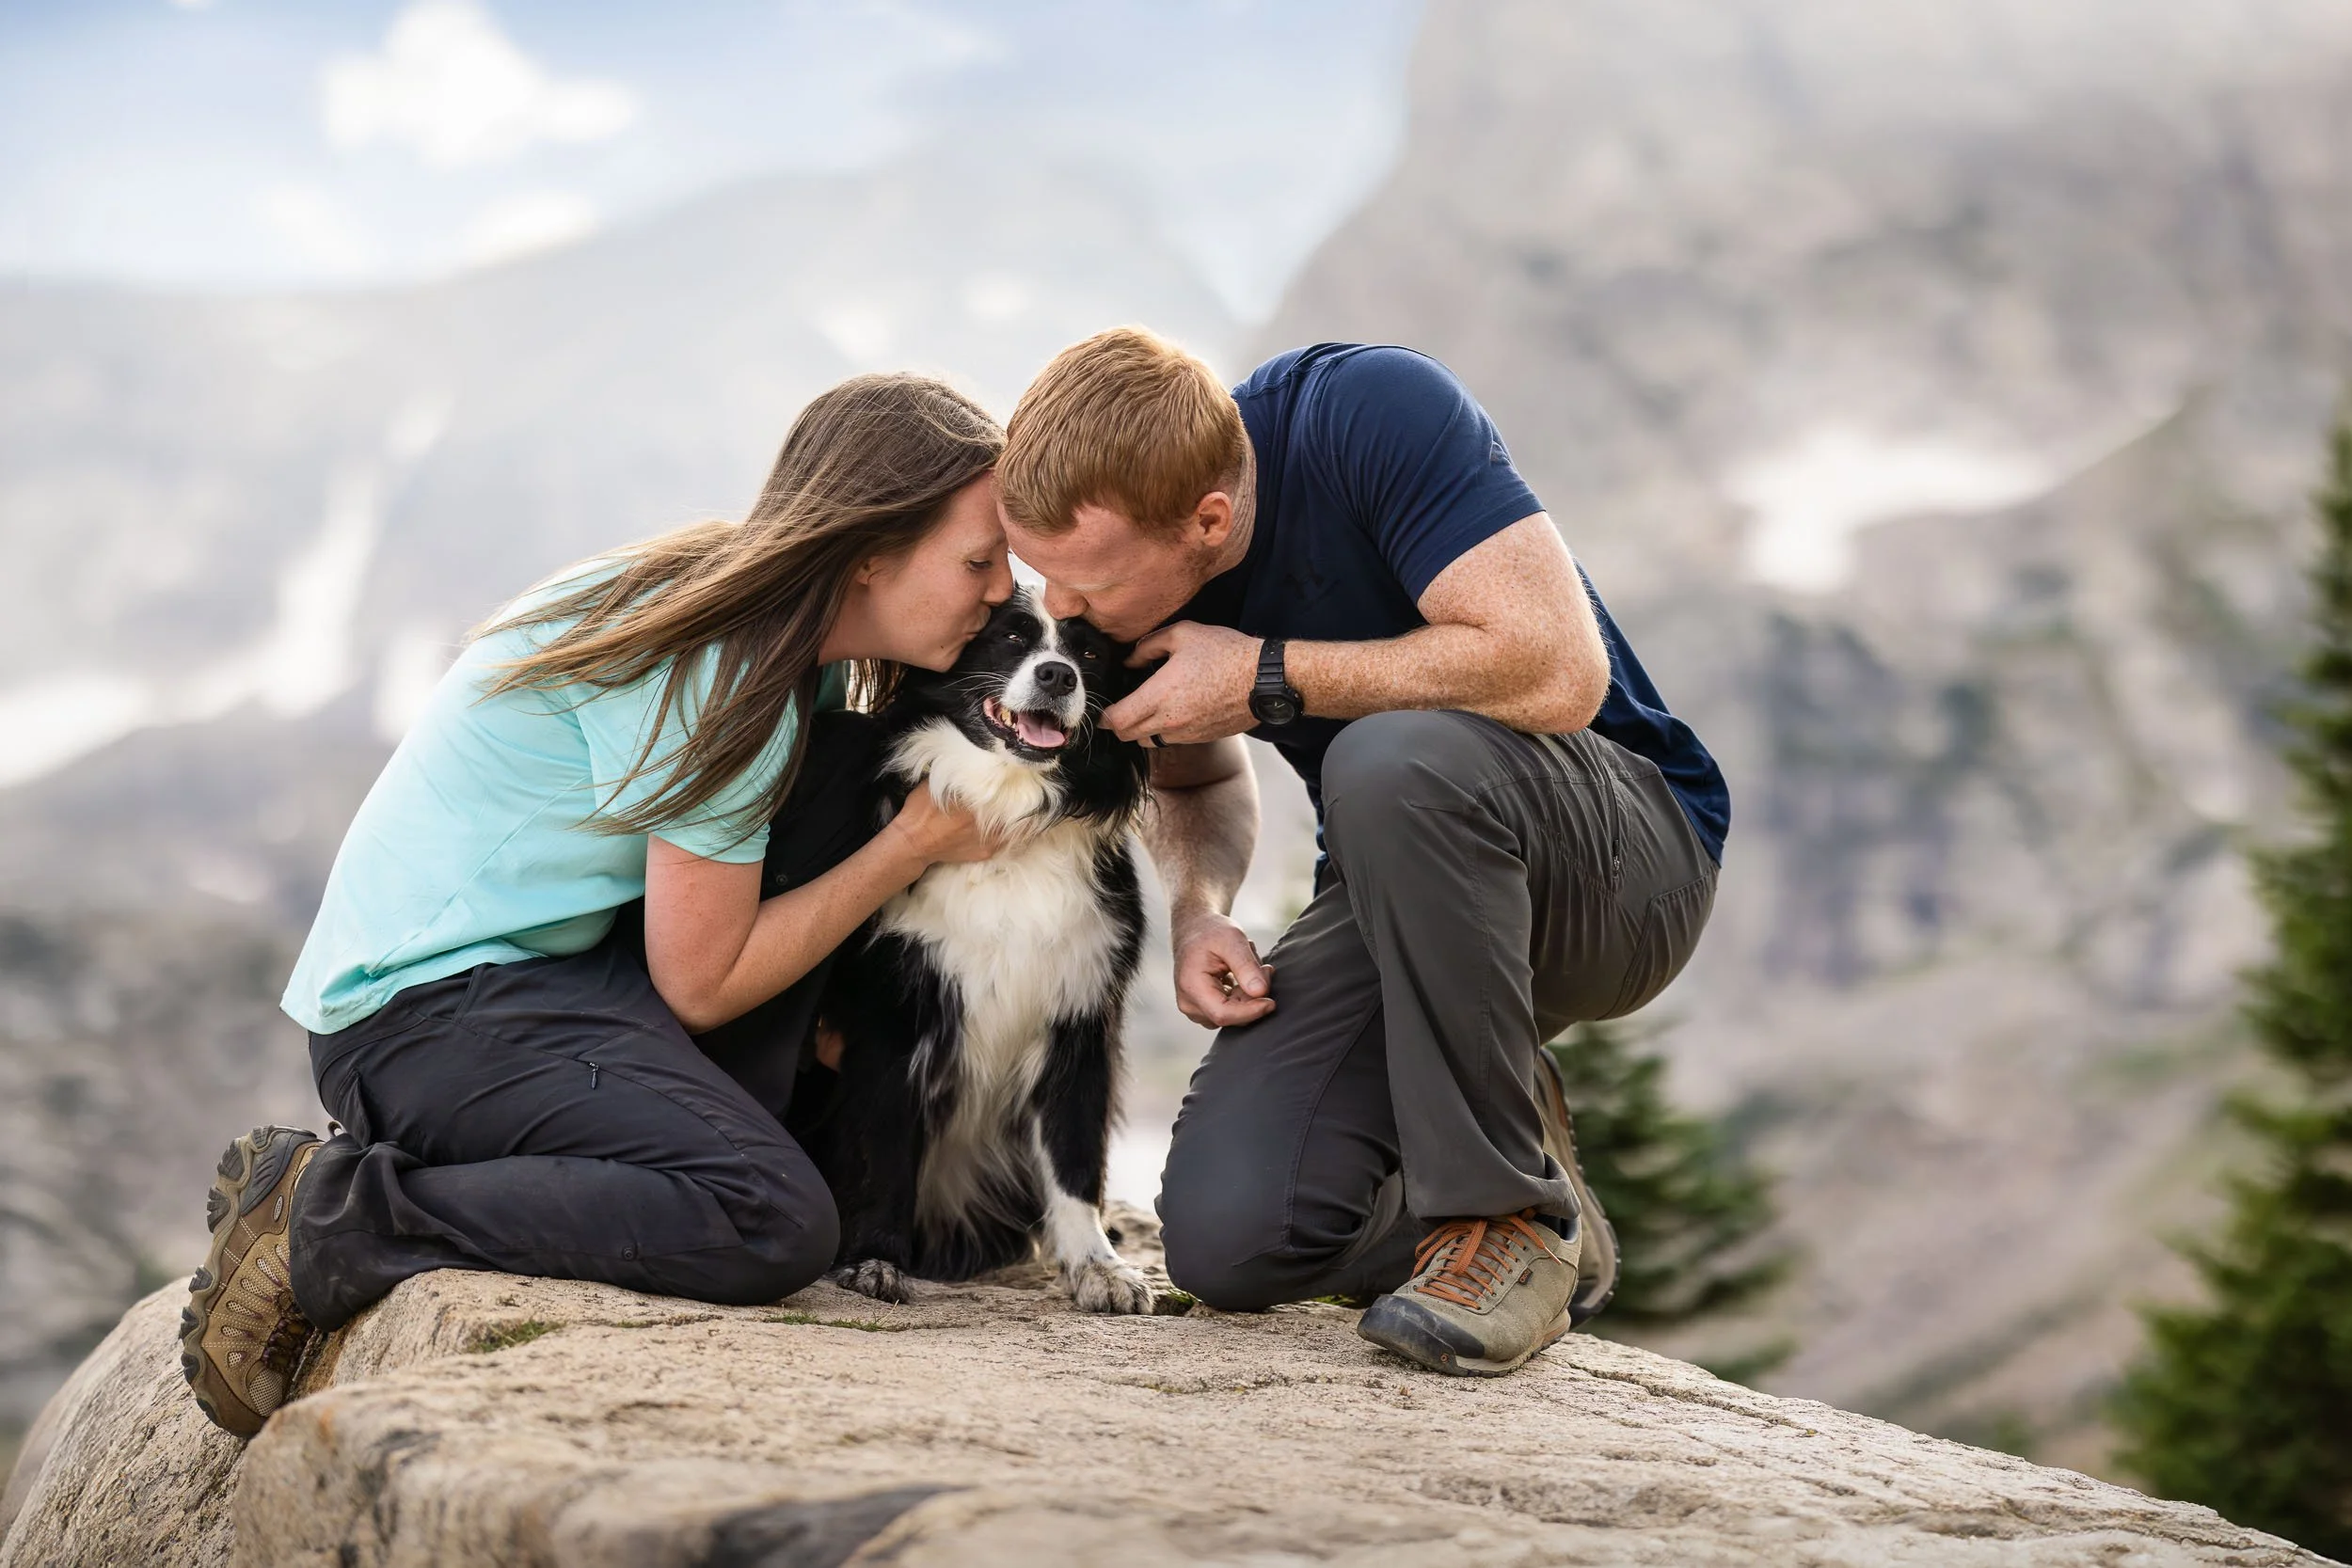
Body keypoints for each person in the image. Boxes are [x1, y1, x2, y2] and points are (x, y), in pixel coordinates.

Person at [181, 373, 1016, 1436]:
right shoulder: (730, 669)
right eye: (978, 560)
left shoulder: (752, 614)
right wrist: (912, 844)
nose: (998, 591)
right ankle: (335, 1213)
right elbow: (701, 983)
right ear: (868, 551)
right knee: (767, 1215)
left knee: (847, 774)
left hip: (543, 972)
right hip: (418, 1012)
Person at [996, 330, 1727, 1376]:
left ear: (1206, 519)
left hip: (1626, 865)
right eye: (1041, 575)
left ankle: (1501, 1217)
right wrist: (1200, 905)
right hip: (1406, 891)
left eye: (1082, 583)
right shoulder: (1143, 566)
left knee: (1390, 758)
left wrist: (1269, 675)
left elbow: (1558, 670)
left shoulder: (1366, 411)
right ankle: (1536, 1202)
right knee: (1231, 1238)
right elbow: (1196, 776)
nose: (1060, 610)